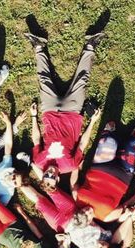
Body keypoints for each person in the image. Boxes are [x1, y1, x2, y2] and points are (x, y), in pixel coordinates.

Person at [25, 28, 105, 174]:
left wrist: (34, 116)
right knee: (81, 80)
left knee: (44, 79)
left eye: (46, 177)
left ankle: (39, 46)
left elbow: (36, 140)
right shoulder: (70, 166)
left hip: (49, 110)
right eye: (52, 178)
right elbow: (82, 144)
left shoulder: (39, 161)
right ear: (57, 179)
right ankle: (90, 45)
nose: (50, 174)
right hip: (72, 112)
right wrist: (93, 122)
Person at [70, 108, 135, 222]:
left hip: (100, 167)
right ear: (89, 221)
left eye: (83, 210)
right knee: (132, 144)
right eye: (87, 214)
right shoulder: (106, 217)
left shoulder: (78, 199)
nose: (87, 210)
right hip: (123, 175)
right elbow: (124, 207)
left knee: (110, 137)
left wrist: (76, 166)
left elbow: (73, 183)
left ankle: (109, 132)